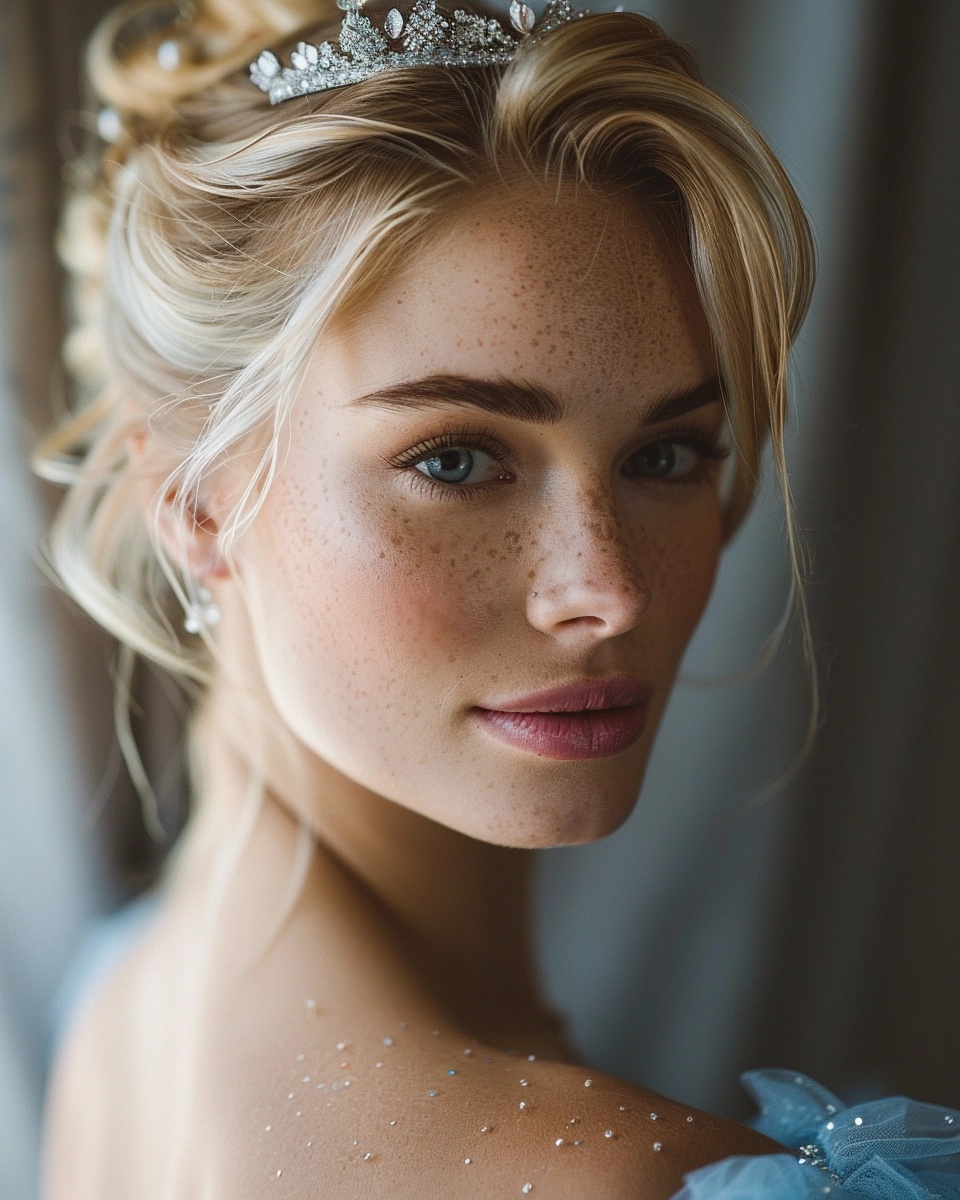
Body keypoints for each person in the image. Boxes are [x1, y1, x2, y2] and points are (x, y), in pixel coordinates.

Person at [36, 0, 960, 1196]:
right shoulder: (615, 1179)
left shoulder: (134, 1001)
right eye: (457, 461)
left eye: (666, 456)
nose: (609, 591)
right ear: (196, 501)